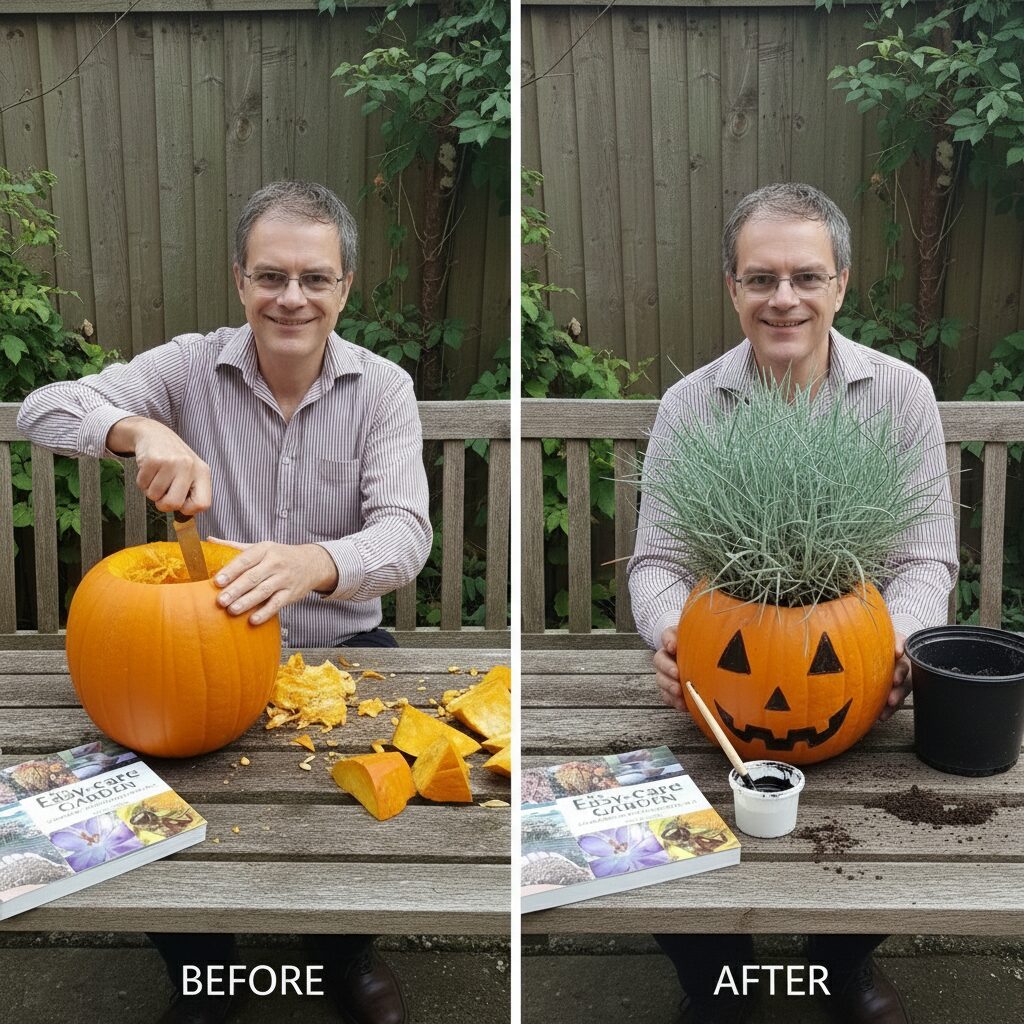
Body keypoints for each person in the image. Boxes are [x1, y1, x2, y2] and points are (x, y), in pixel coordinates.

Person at [18, 180, 431, 1024]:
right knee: (129, 783)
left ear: (346, 286)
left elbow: (405, 534)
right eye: (270, 276)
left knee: (381, 782)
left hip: (337, 652)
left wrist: (315, 562)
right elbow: (43, 407)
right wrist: (140, 430)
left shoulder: (383, 388)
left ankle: (343, 955)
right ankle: (205, 970)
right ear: (239, 280)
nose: (292, 298)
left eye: (315, 278)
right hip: (190, 652)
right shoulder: (186, 368)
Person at [627, 183, 958, 1024]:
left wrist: (897, 645)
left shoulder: (901, 396)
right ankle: (717, 985)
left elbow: (925, 559)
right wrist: (676, 637)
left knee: (896, 817)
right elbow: (658, 563)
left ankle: (838, 971)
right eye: (761, 278)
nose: (784, 299)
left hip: (855, 688)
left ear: (841, 283)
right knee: (668, 829)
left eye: (806, 277)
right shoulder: (691, 405)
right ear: (731, 287)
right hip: (719, 699)